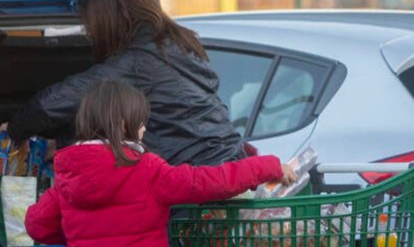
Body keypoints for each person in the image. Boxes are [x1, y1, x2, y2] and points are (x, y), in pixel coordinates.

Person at [3, 0, 248, 166]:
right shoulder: (177, 47)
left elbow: (53, 104)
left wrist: (13, 129)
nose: (91, 33)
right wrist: (67, 141)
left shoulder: (138, 62)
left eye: (92, 25)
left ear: (109, 19)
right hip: (225, 165)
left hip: (196, 180)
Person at [24, 80, 297, 247]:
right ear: (124, 123)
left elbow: (37, 226)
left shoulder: (68, 177)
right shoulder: (145, 169)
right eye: (141, 121)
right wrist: (267, 166)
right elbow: (207, 182)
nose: (143, 129)